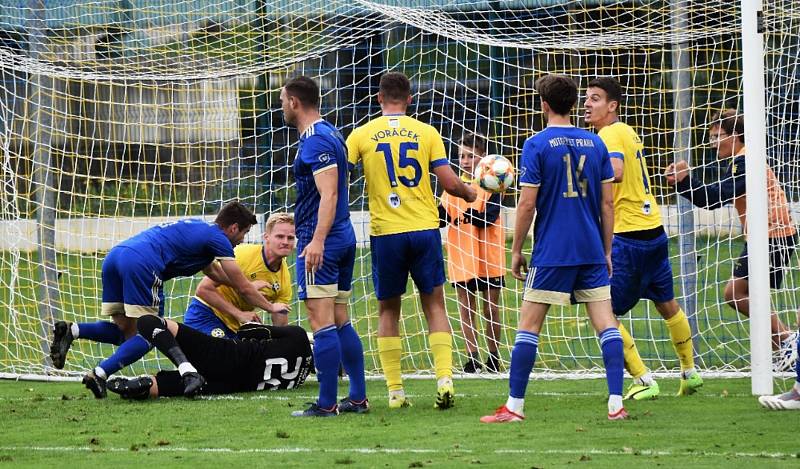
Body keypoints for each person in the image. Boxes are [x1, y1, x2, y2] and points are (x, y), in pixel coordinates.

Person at [481, 74, 627, 423]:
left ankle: (514, 407)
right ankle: (616, 403)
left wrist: (516, 250)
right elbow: (608, 205)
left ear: (544, 105)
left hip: (552, 251)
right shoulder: (597, 145)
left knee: (529, 326)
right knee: (606, 324)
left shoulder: (536, 145)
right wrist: (606, 250)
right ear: (574, 104)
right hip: (591, 248)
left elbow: (527, 204)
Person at [49, 201, 289, 398]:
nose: (243, 241)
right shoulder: (218, 239)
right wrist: (270, 306)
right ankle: (99, 374)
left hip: (116, 257)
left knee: (125, 332)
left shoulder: (199, 232)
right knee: (151, 333)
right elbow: (241, 284)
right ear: (234, 228)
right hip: (142, 265)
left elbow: (216, 274)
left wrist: (242, 286)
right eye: (245, 233)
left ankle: (73, 330)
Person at [346, 71, 476, 409]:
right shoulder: (427, 132)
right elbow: (449, 183)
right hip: (424, 230)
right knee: (434, 304)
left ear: (378, 98)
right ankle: (445, 378)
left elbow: (339, 174)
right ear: (410, 99)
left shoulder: (361, 135)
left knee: (388, 310)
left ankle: (394, 391)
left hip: (386, 233)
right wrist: (470, 191)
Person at [584, 77, 703, 399]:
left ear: (612, 106)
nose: (587, 104)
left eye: (595, 99)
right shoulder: (627, 132)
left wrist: (579, 176)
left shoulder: (609, 134)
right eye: (586, 98)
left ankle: (642, 379)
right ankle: (689, 372)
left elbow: (616, 171)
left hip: (629, 236)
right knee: (667, 305)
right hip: (654, 231)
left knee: (602, 312)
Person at [665, 109, 799, 371]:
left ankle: (789, 344)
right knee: (742, 294)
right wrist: (682, 183)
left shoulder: (745, 161)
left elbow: (715, 197)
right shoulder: (741, 161)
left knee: (735, 294)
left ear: (735, 136)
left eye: (718, 136)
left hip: (773, 235)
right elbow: (712, 197)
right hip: (768, 235)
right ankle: (787, 348)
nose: (713, 142)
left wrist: (685, 181)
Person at [280, 76, 368, 417]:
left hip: (325, 241)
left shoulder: (316, 141)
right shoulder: (331, 132)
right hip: (342, 237)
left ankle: (327, 403)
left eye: (283, 100)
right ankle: (357, 398)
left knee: (321, 321)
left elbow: (329, 194)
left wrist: (315, 240)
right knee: (341, 318)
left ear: (295, 102)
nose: (282, 106)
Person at [107, 318, 312, 399]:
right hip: (235, 385)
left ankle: (186, 369)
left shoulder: (299, 336)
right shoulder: (299, 379)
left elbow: (246, 330)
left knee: (148, 321)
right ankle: (142, 386)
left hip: (228, 355)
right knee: (169, 387)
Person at [439, 132, 505, 373]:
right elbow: (441, 217)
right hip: (462, 256)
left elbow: (489, 217)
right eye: (461, 156)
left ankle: (494, 356)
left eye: (470, 155)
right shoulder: (453, 188)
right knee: (466, 308)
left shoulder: (494, 186)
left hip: (489, 257)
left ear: (483, 158)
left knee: (491, 308)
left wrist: (469, 216)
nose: (465, 160)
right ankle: (472, 357)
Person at [183, 212, 296, 338]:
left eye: (290, 238)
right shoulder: (242, 255)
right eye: (280, 236)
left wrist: (282, 341)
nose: (285, 242)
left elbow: (280, 316)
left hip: (234, 327)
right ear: (266, 237)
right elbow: (203, 290)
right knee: (223, 356)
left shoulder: (284, 279)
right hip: (205, 315)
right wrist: (239, 314)